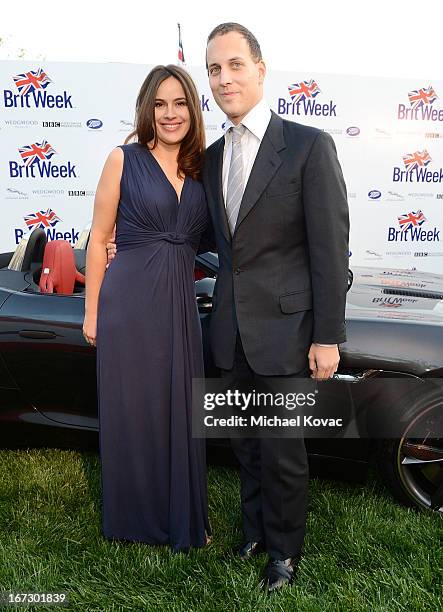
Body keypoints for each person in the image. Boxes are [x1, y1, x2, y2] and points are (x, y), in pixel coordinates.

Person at [203, 23, 349, 591]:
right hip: (231, 330)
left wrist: (327, 336)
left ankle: (285, 554)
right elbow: (220, 244)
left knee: (283, 450)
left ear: (260, 70)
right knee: (245, 440)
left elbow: (330, 249)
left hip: (289, 333)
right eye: (215, 69)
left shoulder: (309, 146)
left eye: (235, 65)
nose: (224, 78)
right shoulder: (213, 156)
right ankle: (255, 532)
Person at [83, 64, 211, 552]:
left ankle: (183, 516)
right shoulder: (124, 159)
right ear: (146, 109)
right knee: (134, 411)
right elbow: (97, 240)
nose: (170, 114)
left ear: (192, 109)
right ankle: (136, 520)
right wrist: (92, 312)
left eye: (179, 103)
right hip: (130, 304)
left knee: (178, 408)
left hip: (180, 305)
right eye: (160, 104)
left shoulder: (204, 166)